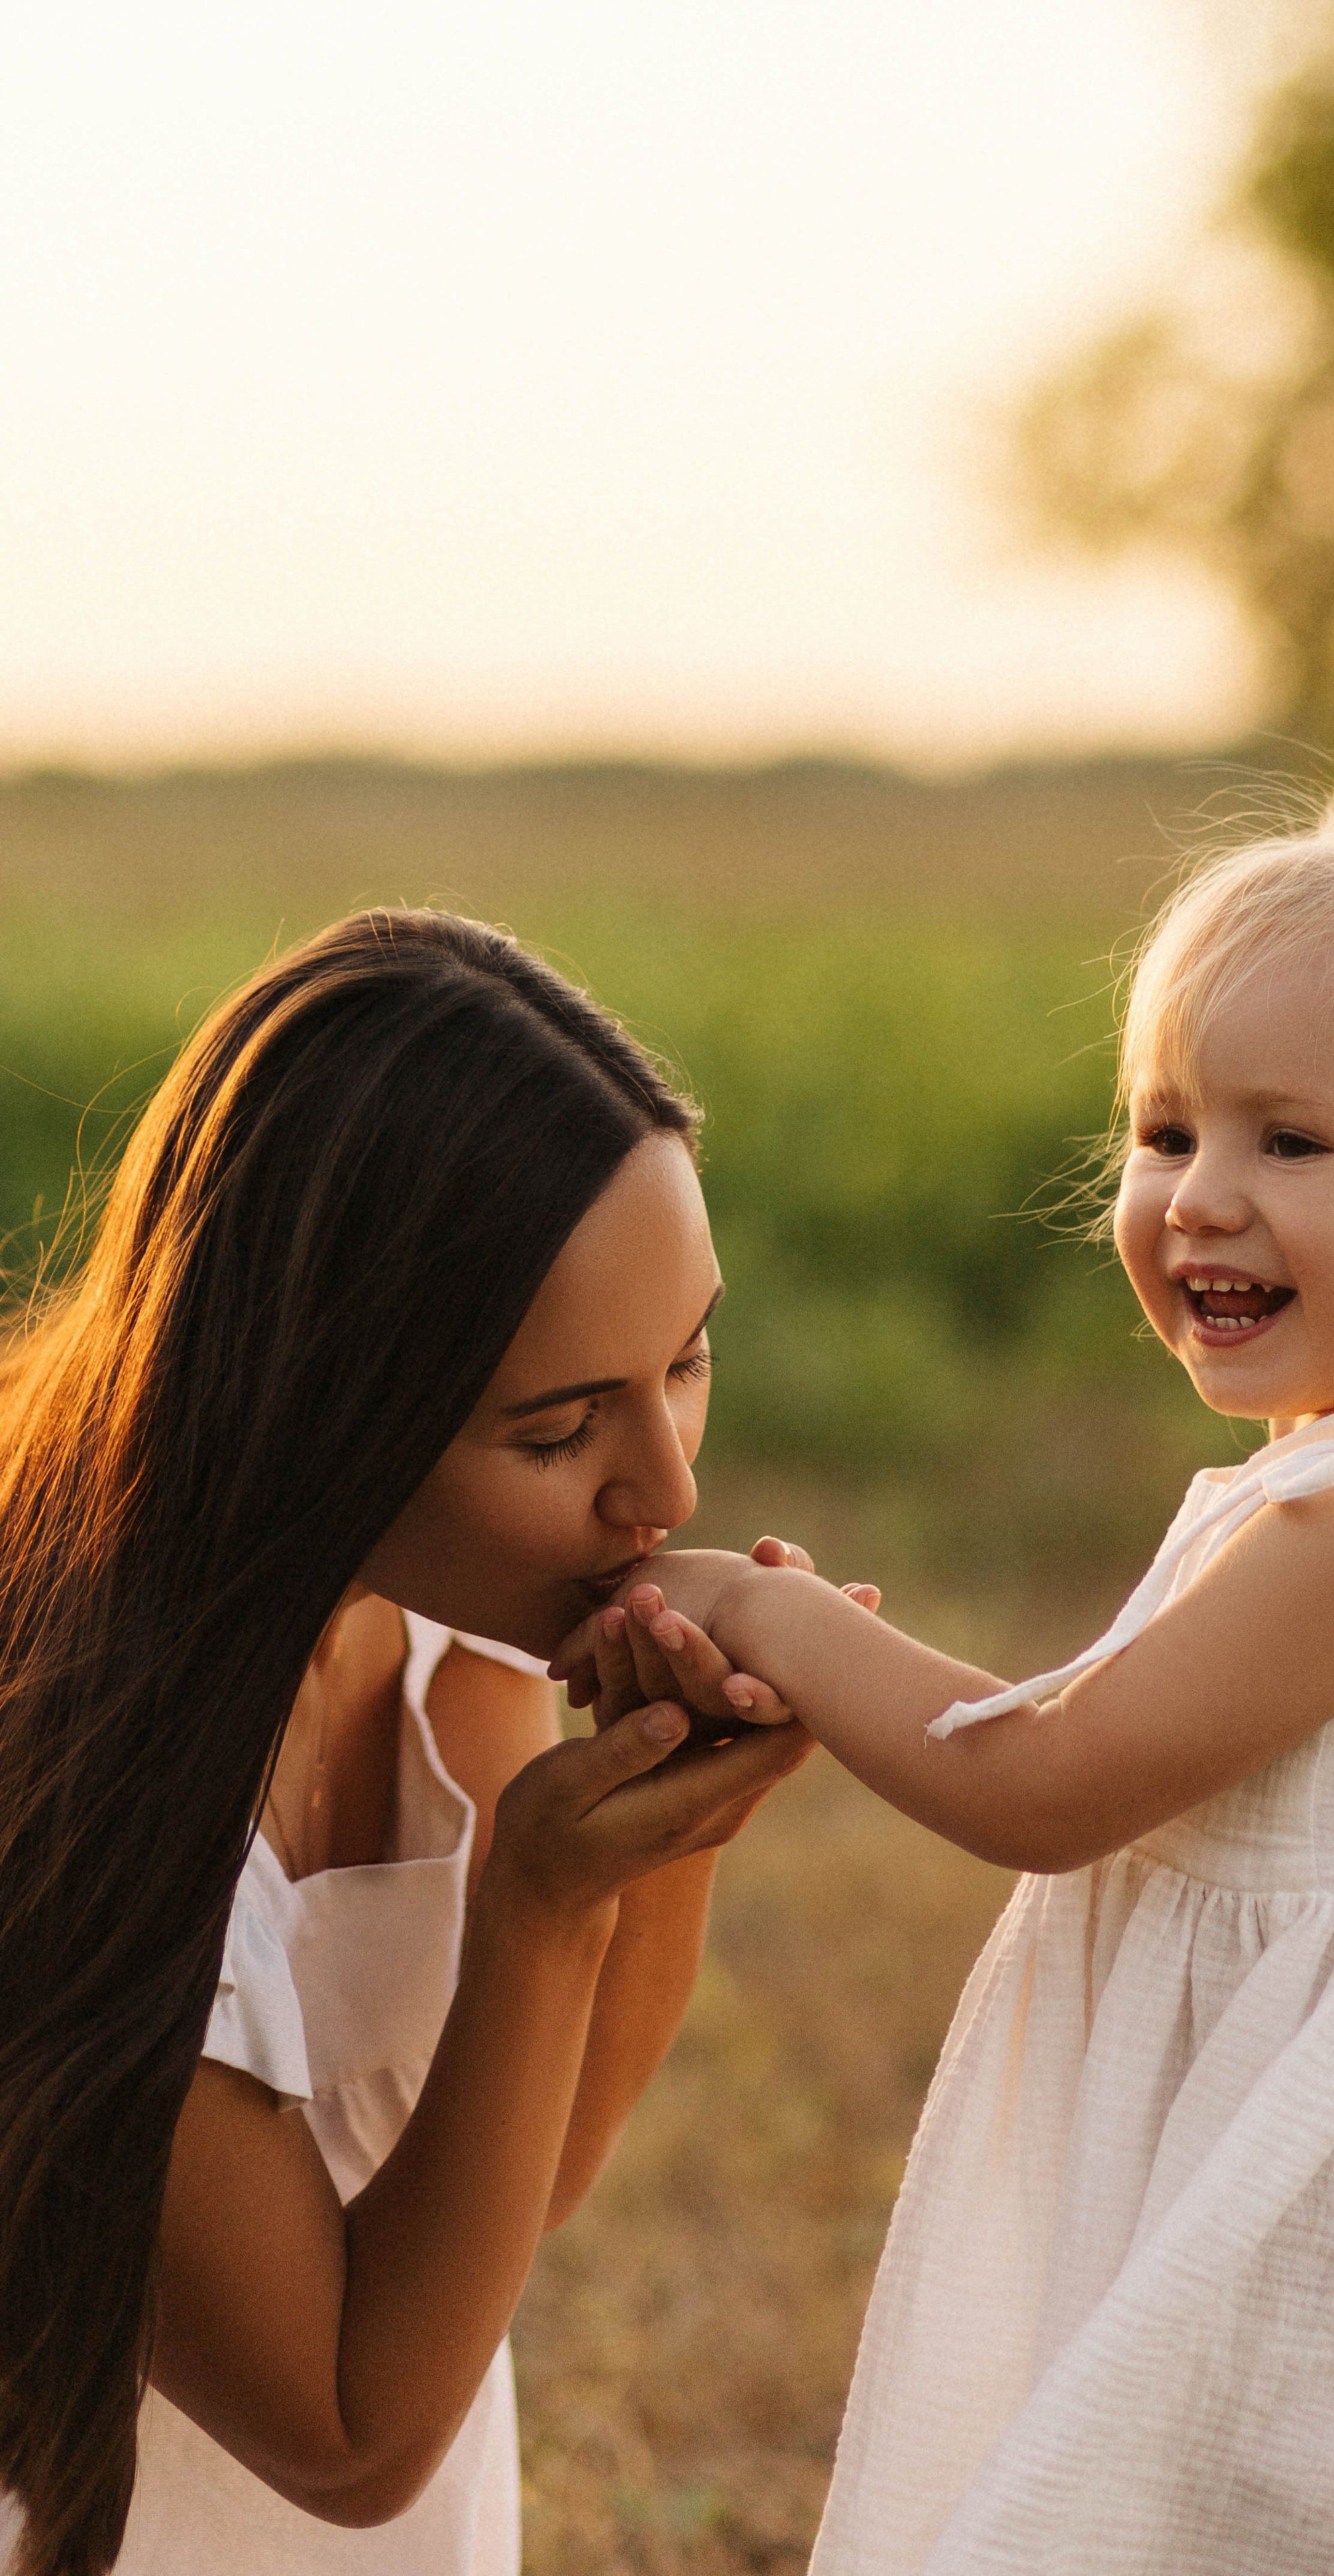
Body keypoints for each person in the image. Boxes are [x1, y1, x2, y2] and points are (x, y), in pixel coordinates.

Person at [564, 792, 1334, 2575]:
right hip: (1240, 2222)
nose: (1200, 1198)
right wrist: (828, 1648)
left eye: (1292, 1142)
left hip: (1289, 2310)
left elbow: (1048, 1784)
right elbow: (1108, 1741)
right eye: (1165, 1130)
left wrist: (779, 1624)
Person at [0, 909, 819, 2576]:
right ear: (321, 1402)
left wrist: (660, 1836)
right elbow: (345, 2435)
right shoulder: (65, 1753)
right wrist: (536, 1904)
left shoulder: (454, 1648)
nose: (661, 1489)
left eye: (685, 1360)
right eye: (555, 1425)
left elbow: (519, 2201)